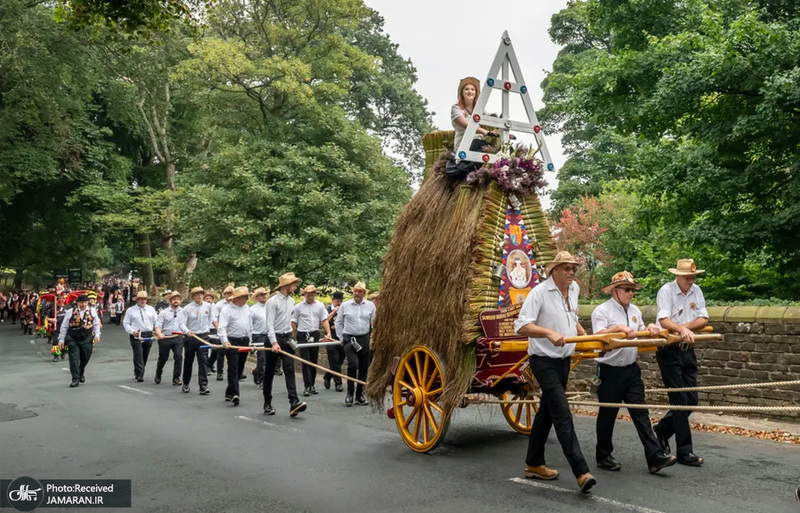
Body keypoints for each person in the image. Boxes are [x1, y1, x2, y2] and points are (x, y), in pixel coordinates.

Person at [513, 251, 596, 493]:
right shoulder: (539, 293)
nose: (571, 272)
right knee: (562, 412)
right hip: (543, 360)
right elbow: (522, 325)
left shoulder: (574, 290)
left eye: (574, 268)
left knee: (546, 413)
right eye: (566, 268)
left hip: (564, 360)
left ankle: (534, 463)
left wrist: (582, 333)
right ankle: (581, 471)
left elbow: (572, 316)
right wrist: (548, 333)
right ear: (554, 271)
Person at [591, 271, 677, 474]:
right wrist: (619, 328)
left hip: (631, 369)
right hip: (610, 371)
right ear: (615, 291)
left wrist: (650, 327)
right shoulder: (602, 311)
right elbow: (598, 335)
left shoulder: (635, 310)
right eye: (627, 290)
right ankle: (603, 455)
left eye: (632, 290)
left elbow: (640, 330)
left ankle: (654, 456)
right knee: (607, 415)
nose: (631, 294)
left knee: (641, 413)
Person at [652, 259, 709, 467]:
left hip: (687, 350)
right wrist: (680, 330)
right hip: (670, 352)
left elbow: (704, 318)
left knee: (691, 399)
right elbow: (663, 321)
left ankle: (662, 429)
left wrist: (684, 328)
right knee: (679, 400)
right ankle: (685, 451)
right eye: (687, 278)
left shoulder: (696, 291)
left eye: (693, 277)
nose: (691, 281)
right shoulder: (666, 291)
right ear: (677, 276)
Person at [263, 272, 307, 417]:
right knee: (269, 372)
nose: (295, 287)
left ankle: (294, 402)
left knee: (289, 369)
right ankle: (267, 402)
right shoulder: (272, 302)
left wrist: (291, 335)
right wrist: (274, 343)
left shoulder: (291, 301)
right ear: (286, 286)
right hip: (273, 338)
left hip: (287, 337)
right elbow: (269, 325)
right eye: (293, 284)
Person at [335, 281, 376, 407]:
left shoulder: (370, 306)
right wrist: (342, 337)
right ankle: (349, 394)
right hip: (349, 339)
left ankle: (359, 395)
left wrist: (373, 337)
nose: (357, 293)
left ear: (364, 293)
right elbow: (338, 322)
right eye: (355, 291)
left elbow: (375, 322)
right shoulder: (345, 305)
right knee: (353, 365)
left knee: (364, 368)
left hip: (364, 338)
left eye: (359, 291)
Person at [292, 285, 332, 397]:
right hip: (303, 334)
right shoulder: (298, 306)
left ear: (315, 294)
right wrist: (294, 333)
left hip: (314, 333)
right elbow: (294, 321)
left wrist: (328, 332)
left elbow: (324, 319)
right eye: (308, 294)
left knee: (313, 361)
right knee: (306, 361)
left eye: (312, 294)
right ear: (304, 294)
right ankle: (307, 385)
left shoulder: (320, 305)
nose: (310, 296)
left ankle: (312, 384)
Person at [218, 286, 253, 406]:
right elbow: (222, 327)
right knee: (233, 367)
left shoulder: (247, 308)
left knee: (240, 367)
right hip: (232, 340)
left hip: (244, 340)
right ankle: (235, 394)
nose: (247, 299)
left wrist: (251, 341)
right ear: (237, 298)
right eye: (245, 297)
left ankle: (229, 391)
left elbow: (250, 325)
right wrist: (225, 340)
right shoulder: (226, 310)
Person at [57, 294, 101, 387]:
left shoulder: (92, 311)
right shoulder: (70, 312)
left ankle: (81, 371)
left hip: (87, 337)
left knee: (86, 356)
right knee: (74, 358)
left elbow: (96, 323)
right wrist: (61, 339)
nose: (83, 304)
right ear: (77, 303)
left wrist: (97, 334)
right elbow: (64, 326)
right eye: (81, 302)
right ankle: (75, 379)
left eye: (85, 302)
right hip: (73, 338)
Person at [178, 287, 212, 395]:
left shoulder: (208, 306)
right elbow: (182, 323)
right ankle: (186, 383)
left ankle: (203, 385)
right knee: (189, 361)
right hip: (191, 337)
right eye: (197, 294)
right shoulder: (187, 309)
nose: (200, 296)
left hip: (203, 336)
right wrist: (187, 331)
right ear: (193, 296)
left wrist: (208, 330)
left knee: (203, 361)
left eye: (201, 294)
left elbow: (210, 319)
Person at [451, 76, 497, 151]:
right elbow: (467, 126)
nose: (470, 91)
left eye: (472, 89)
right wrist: (485, 132)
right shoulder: (456, 108)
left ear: (475, 93)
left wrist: (501, 133)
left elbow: (490, 121)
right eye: (467, 89)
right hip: (465, 145)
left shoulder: (479, 110)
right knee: (481, 145)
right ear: (462, 93)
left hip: (479, 143)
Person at [123, 290, 158, 382]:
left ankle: (139, 370)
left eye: (144, 299)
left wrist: (158, 331)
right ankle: (140, 374)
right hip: (136, 334)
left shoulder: (151, 309)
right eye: (141, 299)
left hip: (148, 333)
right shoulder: (130, 311)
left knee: (145, 354)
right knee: (138, 353)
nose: (143, 301)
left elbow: (157, 321)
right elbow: (126, 323)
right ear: (137, 300)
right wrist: (131, 331)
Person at [154, 291, 184, 386]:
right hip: (165, 337)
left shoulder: (183, 312)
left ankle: (176, 378)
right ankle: (158, 373)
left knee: (179, 357)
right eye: (174, 299)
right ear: (170, 301)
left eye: (178, 299)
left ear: (180, 301)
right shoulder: (163, 313)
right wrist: (159, 333)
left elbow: (186, 324)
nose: (176, 301)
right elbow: (158, 324)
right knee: (163, 357)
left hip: (178, 337)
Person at [323, 291, 346, 392]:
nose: (339, 303)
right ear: (333, 300)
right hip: (330, 339)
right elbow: (324, 320)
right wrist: (333, 312)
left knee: (340, 360)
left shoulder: (343, 309)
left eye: (340, 301)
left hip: (341, 339)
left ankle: (327, 376)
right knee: (335, 361)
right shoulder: (327, 309)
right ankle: (338, 383)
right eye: (337, 301)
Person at [211, 286, 234, 380]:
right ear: (224, 294)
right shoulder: (219, 305)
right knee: (221, 352)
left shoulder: (235, 304)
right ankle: (219, 372)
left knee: (232, 352)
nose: (230, 295)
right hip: (222, 330)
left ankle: (235, 372)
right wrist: (219, 329)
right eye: (228, 293)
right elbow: (214, 318)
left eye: (231, 293)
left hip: (232, 332)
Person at [249, 287, 270, 389]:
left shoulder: (270, 307)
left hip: (269, 334)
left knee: (269, 357)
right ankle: (262, 380)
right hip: (258, 335)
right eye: (261, 295)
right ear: (257, 297)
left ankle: (257, 370)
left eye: (265, 294)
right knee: (262, 358)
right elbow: (249, 325)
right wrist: (250, 340)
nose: (264, 296)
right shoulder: (252, 310)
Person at [46, 295, 68, 361]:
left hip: (65, 328)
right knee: (55, 342)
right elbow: (46, 318)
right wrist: (52, 319)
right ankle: (56, 356)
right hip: (56, 328)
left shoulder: (67, 308)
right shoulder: (53, 309)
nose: (61, 303)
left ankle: (63, 350)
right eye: (59, 302)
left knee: (65, 341)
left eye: (62, 301)